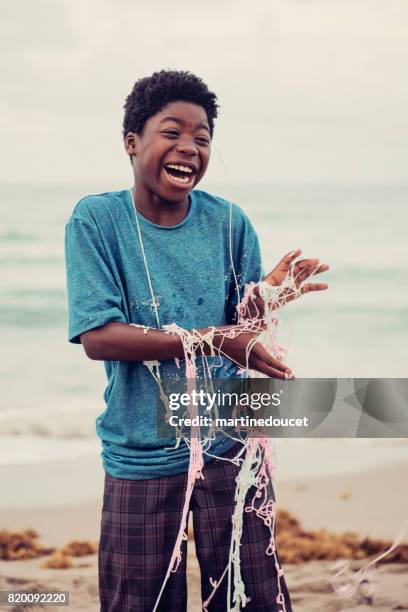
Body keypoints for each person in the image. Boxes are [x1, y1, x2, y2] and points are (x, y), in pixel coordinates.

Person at [64, 70, 328, 611]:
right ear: (131, 141)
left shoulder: (230, 223)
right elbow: (100, 337)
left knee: (252, 600)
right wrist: (215, 339)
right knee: (139, 602)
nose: (189, 147)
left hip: (232, 446)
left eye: (202, 137)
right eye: (172, 132)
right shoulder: (98, 220)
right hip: (140, 452)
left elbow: (239, 328)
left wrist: (265, 303)